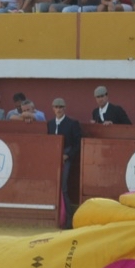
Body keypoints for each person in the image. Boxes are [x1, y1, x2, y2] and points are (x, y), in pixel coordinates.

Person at [47, 98, 81, 230]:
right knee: (55, 188)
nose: (59, 109)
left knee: (64, 187)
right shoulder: (50, 124)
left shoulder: (72, 123)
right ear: (53, 108)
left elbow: (77, 143)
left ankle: (68, 219)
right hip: (54, 158)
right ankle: (58, 218)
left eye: (61, 107)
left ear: (64, 108)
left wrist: (68, 155)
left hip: (66, 157)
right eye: (56, 107)